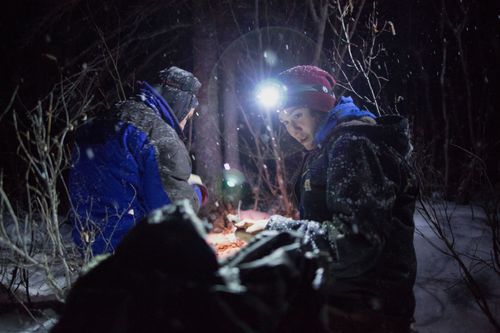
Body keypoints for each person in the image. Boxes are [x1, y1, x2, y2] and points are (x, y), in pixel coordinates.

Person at [237, 65, 418, 332]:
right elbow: (328, 225)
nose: (293, 129)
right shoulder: (331, 146)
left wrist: (278, 232)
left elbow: (355, 243)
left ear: (319, 109)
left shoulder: (353, 145)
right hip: (346, 304)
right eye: (285, 122)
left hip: (364, 312)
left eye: (297, 115)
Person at [68, 66, 207, 255]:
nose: (184, 124)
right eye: (187, 116)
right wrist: (197, 192)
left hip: (87, 243)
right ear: (180, 104)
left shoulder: (107, 117)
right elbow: (175, 212)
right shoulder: (160, 136)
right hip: (129, 251)